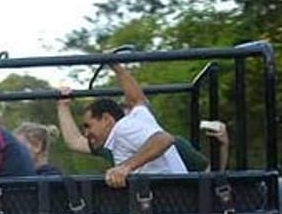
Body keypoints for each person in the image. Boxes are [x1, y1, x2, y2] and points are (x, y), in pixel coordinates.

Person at [54, 62, 186, 188]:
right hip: (171, 196)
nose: (86, 133)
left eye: (88, 126)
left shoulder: (123, 128)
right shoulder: (138, 117)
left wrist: (125, 167)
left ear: (106, 119)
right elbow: (138, 99)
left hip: (170, 199)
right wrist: (117, 68)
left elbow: (164, 139)